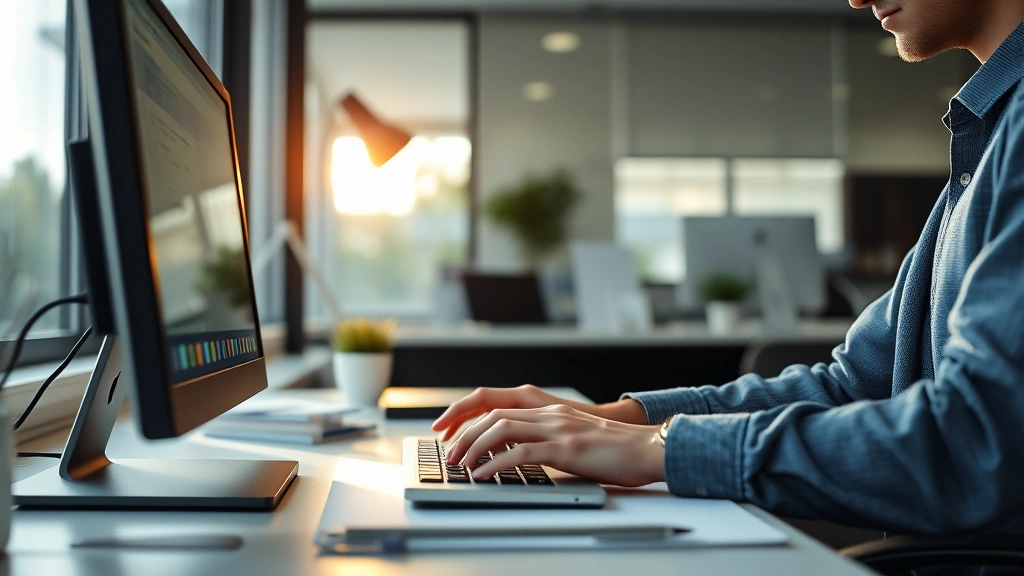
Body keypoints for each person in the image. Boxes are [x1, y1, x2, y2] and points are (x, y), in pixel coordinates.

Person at [433, 0, 1024, 537]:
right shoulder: (988, 141)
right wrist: (616, 421)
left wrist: (662, 450)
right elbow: (850, 389)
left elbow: (975, 442)